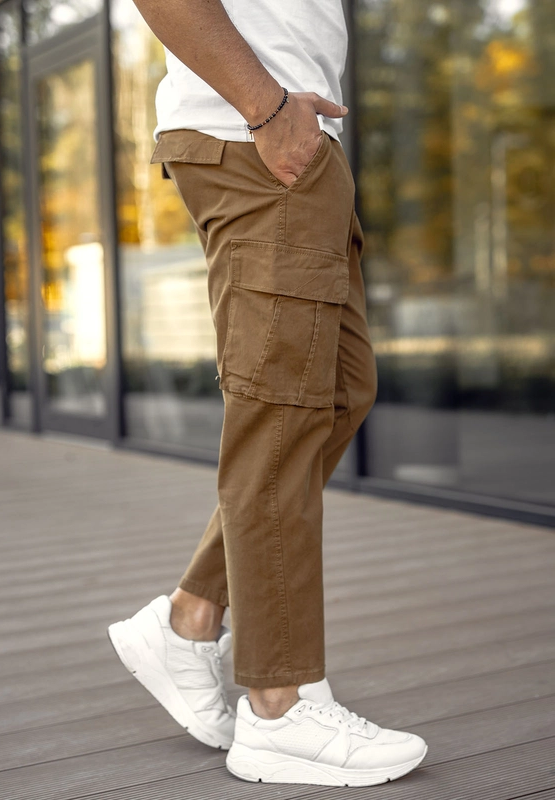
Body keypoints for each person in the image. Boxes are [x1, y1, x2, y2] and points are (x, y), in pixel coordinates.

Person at [108, 0, 428, 787]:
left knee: (337, 393)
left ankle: (190, 618)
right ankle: (280, 708)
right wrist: (269, 109)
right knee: (281, 416)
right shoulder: (263, 122)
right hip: (257, 137)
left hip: (289, 141)